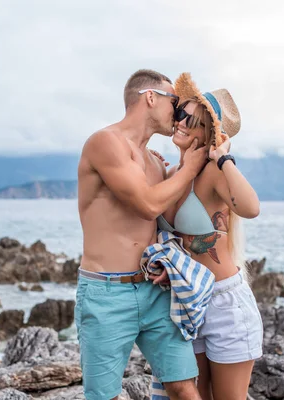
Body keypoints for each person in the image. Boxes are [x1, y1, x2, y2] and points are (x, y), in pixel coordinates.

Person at [76, 69, 208, 400]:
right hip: (107, 293)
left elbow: (166, 217)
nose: (178, 115)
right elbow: (148, 205)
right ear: (150, 97)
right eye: (175, 104)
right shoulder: (105, 143)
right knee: (103, 396)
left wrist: (187, 160)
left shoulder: (153, 161)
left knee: (182, 386)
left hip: (153, 289)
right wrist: (189, 167)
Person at [156, 73, 263, 399]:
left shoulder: (215, 172)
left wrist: (224, 158)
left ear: (210, 134)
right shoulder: (169, 175)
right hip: (186, 304)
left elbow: (251, 207)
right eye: (180, 113)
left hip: (224, 305)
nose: (182, 123)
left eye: (194, 120)